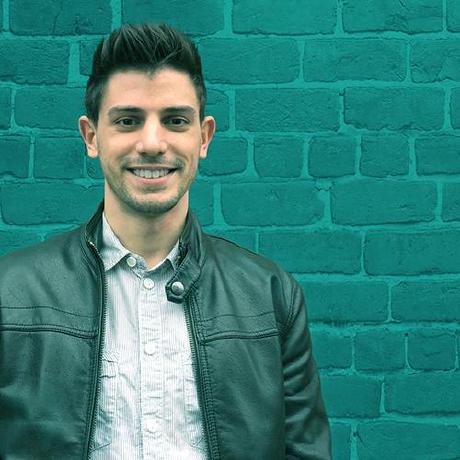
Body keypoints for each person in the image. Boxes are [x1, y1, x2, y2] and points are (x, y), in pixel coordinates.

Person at [0, 23, 331, 459]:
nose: (152, 143)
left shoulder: (270, 296)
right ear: (91, 137)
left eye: (175, 121)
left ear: (203, 137)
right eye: (128, 121)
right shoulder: (11, 294)